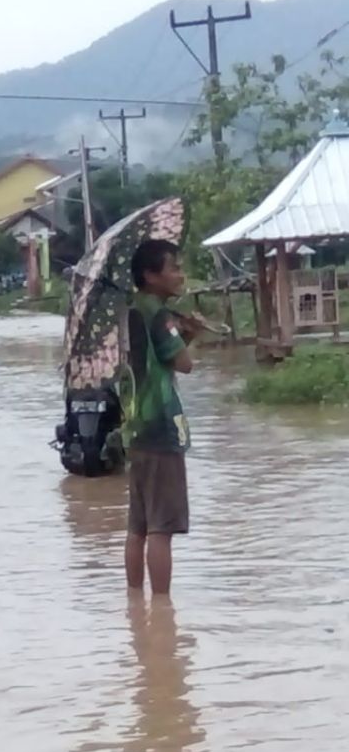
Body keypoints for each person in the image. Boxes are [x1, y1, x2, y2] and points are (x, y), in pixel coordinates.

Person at [125, 239, 202, 597]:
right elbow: (183, 364)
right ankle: (161, 609)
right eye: (173, 268)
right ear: (150, 275)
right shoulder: (157, 314)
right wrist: (187, 332)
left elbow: (157, 359)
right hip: (161, 427)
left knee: (137, 525)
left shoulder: (133, 311)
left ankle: (135, 604)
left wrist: (182, 331)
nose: (179, 274)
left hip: (135, 426)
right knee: (161, 527)